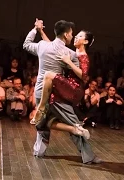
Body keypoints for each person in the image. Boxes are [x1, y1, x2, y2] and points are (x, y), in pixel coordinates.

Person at [23, 19, 101, 164]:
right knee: (64, 122)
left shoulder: (43, 46)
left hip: (44, 91)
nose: (74, 36)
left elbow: (27, 44)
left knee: (42, 123)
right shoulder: (69, 53)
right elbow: (80, 73)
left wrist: (36, 29)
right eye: (72, 34)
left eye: (78, 36)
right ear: (66, 35)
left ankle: (39, 151)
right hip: (57, 92)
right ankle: (85, 150)